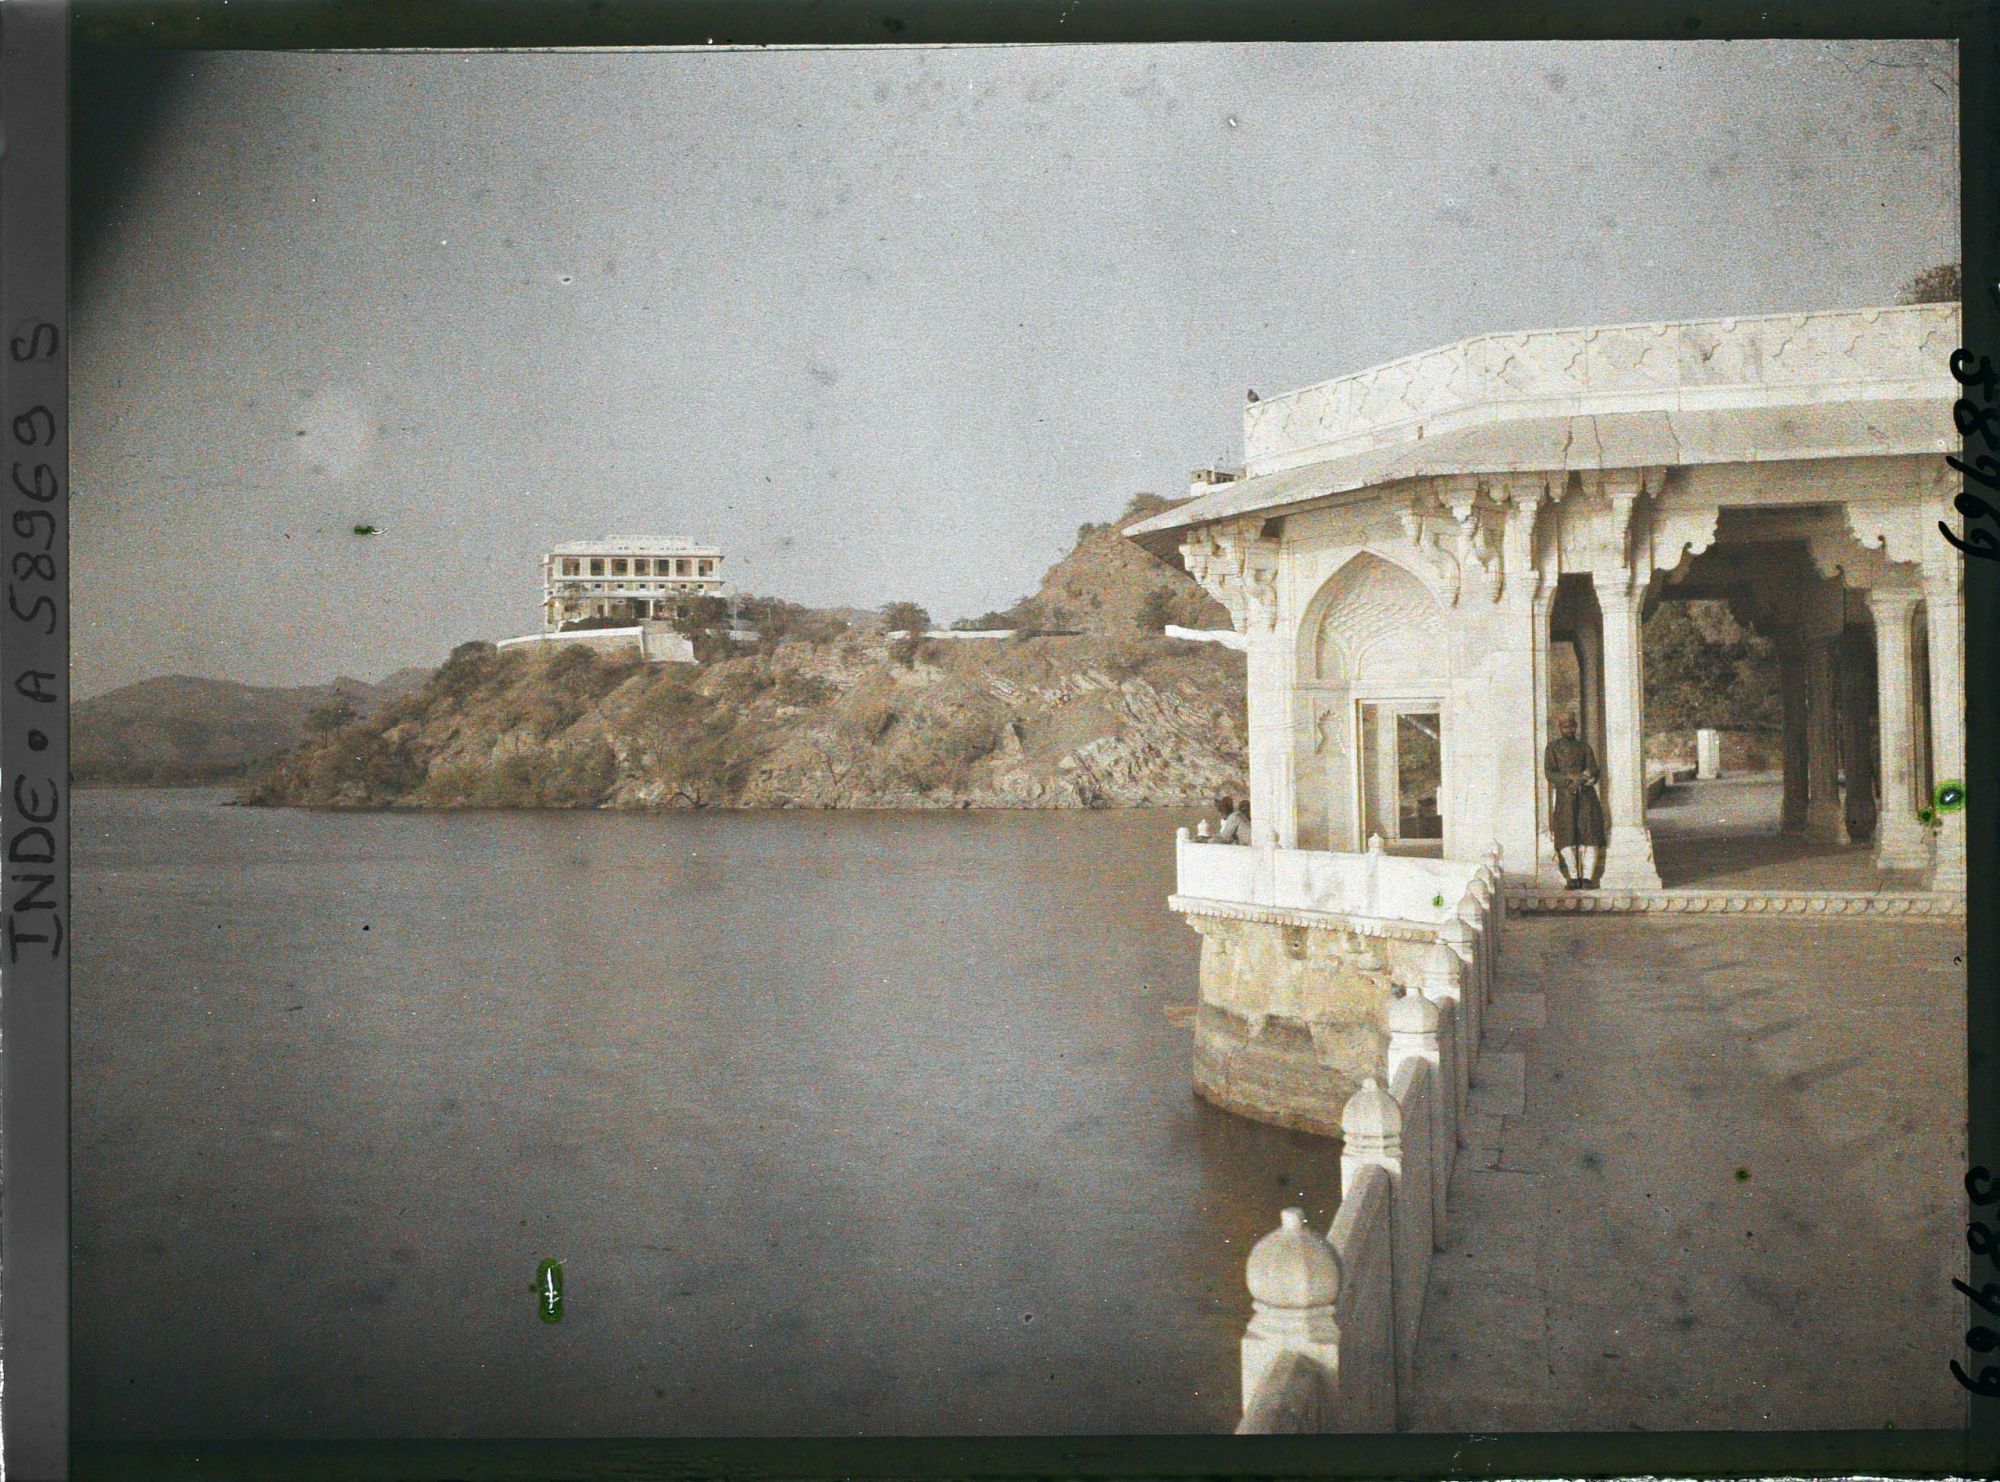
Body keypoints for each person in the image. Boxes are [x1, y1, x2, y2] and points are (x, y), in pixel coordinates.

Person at [1545, 712, 1605, 889]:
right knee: (1566, 835)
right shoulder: (1552, 748)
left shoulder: (1584, 747)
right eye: (1565, 727)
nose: (1568, 729)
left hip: (1586, 796)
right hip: (1565, 797)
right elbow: (1549, 772)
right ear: (1560, 728)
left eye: (1571, 726)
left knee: (1590, 834)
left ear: (1576, 727)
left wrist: (1583, 778)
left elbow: (1593, 768)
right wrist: (1568, 780)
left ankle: (1587, 877)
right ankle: (1572, 877)